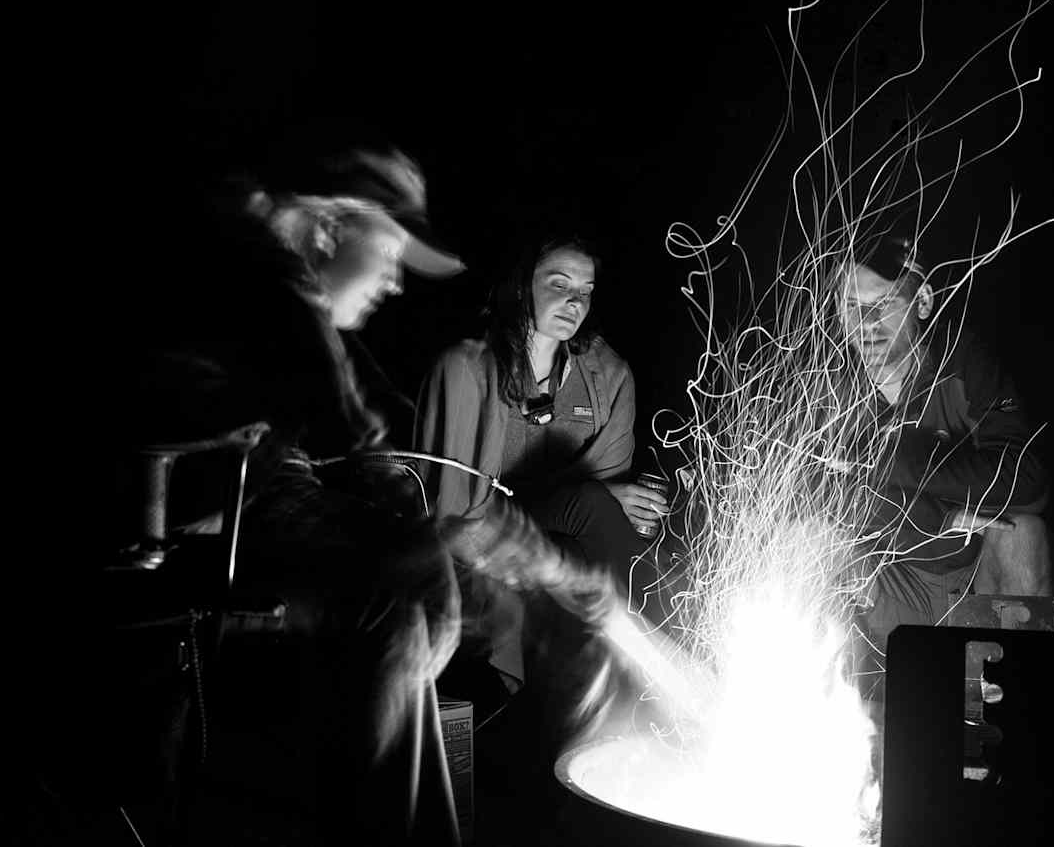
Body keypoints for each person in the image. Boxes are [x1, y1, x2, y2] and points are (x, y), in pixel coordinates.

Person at [121, 136, 477, 846]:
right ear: (326, 226)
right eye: (390, 251)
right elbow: (346, 424)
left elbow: (368, 413)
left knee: (405, 598)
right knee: (392, 598)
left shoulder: (277, 282)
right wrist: (506, 556)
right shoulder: (261, 270)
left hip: (237, 508)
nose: (398, 282)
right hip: (163, 528)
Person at [416, 235, 669, 680]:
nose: (575, 301)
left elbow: (610, 508)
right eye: (559, 283)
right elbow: (453, 511)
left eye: (586, 291)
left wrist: (617, 499)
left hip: (559, 534)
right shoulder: (466, 367)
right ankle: (673, 643)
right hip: (478, 533)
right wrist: (586, 495)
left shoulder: (607, 375)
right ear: (521, 287)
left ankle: (635, 670)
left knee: (586, 539)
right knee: (589, 505)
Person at [834, 234, 1052, 661]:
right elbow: (819, 497)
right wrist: (943, 513)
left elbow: (1028, 482)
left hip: (973, 580)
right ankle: (823, 707)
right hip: (888, 586)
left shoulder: (962, 360)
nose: (867, 326)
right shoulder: (831, 387)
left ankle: (1015, 697)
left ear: (923, 302)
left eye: (883, 306)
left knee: (1024, 534)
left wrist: (887, 463)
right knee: (810, 541)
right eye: (852, 309)